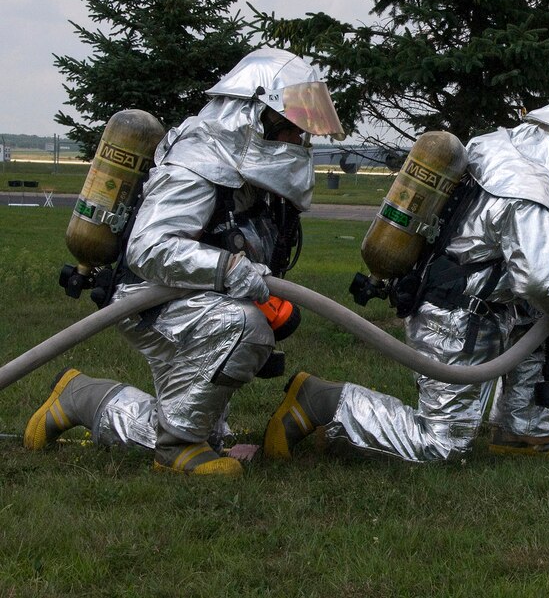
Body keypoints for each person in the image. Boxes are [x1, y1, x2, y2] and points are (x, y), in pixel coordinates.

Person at [23, 47, 345, 477]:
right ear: (256, 116)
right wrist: (228, 269)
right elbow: (149, 247)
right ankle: (177, 450)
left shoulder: (247, 172)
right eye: (292, 130)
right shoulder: (198, 161)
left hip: (192, 296)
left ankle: (80, 398)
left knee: (204, 429)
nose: (297, 142)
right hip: (150, 298)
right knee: (244, 327)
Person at [263, 91, 549, 463]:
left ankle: (525, 431)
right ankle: (321, 401)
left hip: (473, 302)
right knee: (441, 446)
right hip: (456, 317)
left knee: (547, 316)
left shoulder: (499, 152)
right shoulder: (530, 193)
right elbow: (539, 282)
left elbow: (509, 258)